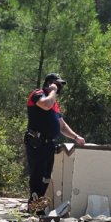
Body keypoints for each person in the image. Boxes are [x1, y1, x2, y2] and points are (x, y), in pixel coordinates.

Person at [25, 73, 85, 212]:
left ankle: (38, 206)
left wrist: (76, 137)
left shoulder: (54, 103)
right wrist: (52, 91)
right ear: (49, 83)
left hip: (48, 144)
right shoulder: (38, 94)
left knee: (46, 176)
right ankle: (33, 207)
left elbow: (62, 126)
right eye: (57, 84)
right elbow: (45, 105)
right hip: (37, 142)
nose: (59, 88)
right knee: (37, 175)